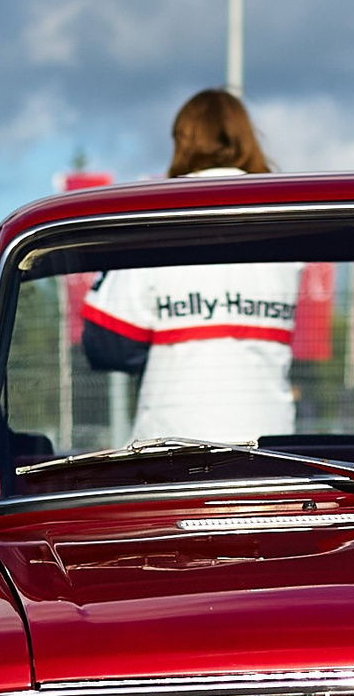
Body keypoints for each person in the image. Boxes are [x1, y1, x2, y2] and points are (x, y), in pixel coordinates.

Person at [81, 89, 298, 444]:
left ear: (182, 141)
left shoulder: (160, 213)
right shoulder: (285, 219)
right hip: (273, 450)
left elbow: (107, 342)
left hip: (172, 451)